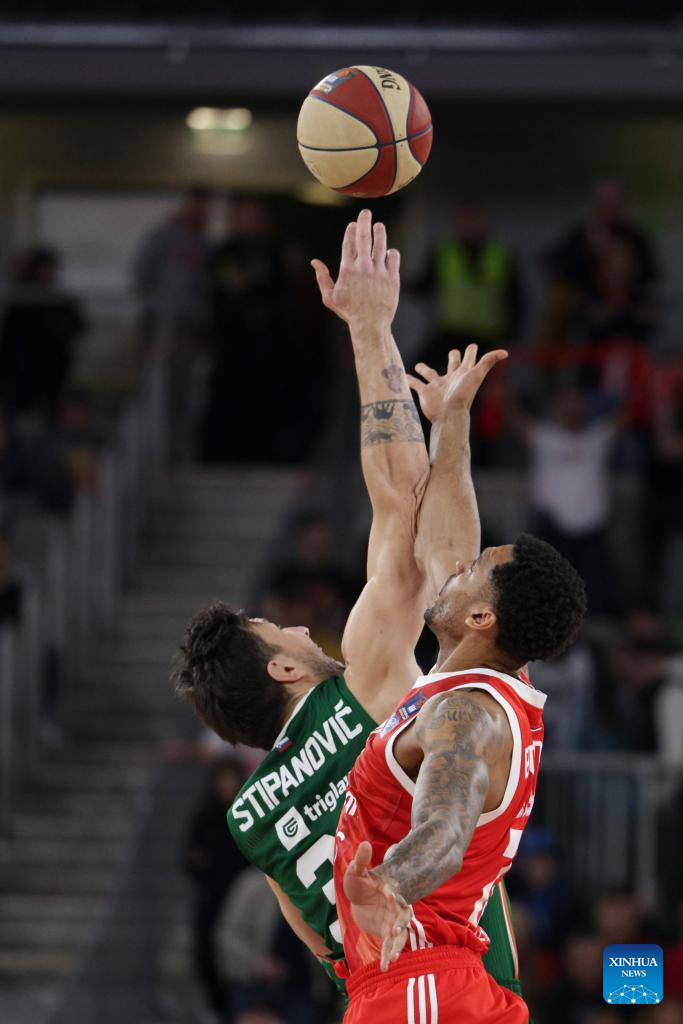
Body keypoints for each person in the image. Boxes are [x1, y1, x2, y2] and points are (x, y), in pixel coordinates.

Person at [173, 211, 524, 1004]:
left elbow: (322, 949)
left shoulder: (249, 819)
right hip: (440, 991)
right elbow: (400, 503)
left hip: (375, 997)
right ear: (283, 669)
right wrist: (369, 329)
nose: (301, 626)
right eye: (282, 631)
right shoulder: (351, 695)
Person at [334, 525, 586, 1022]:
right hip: (429, 983)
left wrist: (390, 882)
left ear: (481, 618)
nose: (456, 566)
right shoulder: (492, 684)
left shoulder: (466, 715)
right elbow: (448, 527)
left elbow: (445, 833)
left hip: (419, 983)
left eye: (472, 568)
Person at [414, 204, 524, 370]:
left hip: (488, 334)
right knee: (418, 369)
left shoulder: (500, 253)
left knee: (479, 380)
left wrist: (513, 332)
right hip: (452, 332)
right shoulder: (445, 251)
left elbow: (516, 296)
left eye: (473, 221)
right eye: (464, 221)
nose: (469, 226)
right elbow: (424, 285)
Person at [184, 757, 248, 1020]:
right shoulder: (205, 816)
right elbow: (190, 858)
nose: (226, 786)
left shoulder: (246, 814)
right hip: (213, 897)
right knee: (207, 951)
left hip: (243, 896)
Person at [0, 246, 85, 422]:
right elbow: (11, 337)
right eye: (43, 268)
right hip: (24, 372)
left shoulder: (56, 299)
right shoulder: (23, 298)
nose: (47, 273)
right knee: (21, 416)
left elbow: (76, 326)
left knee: (47, 416)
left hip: (51, 369)